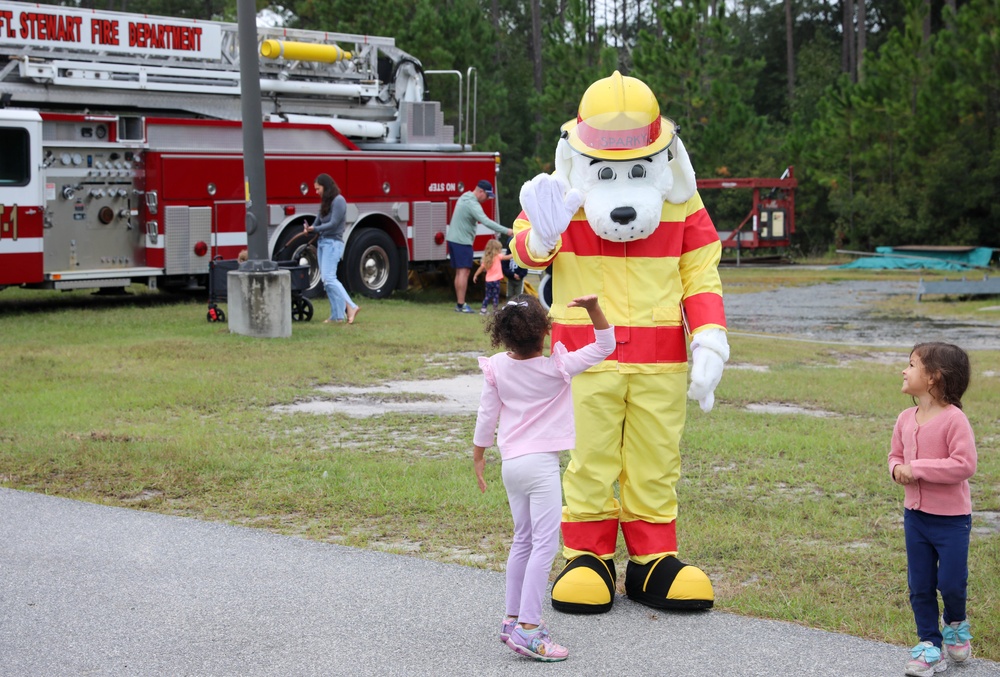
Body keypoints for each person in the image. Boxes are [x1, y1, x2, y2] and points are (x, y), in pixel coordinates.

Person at [472, 294, 615, 663]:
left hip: (512, 465)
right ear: (543, 334)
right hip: (541, 468)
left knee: (523, 539)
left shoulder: (498, 367)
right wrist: (594, 308)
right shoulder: (558, 367)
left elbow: (487, 416)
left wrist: (479, 454)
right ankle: (530, 630)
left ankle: (512, 619)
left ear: (502, 336)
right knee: (544, 546)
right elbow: (605, 345)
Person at [889, 342, 977, 677]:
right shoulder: (904, 418)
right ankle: (929, 644)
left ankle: (955, 622)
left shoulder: (955, 420)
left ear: (933, 378)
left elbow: (964, 464)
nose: (904, 370)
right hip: (916, 517)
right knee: (920, 584)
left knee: (951, 583)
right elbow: (895, 456)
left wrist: (919, 468)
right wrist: (896, 469)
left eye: (911, 364)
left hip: (952, 521)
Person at [445, 179, 512, 313]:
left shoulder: (465, 196)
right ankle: (461, 304)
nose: (487, 199)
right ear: (480, 191)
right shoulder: (472, 204)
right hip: (462, 241)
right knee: (464, 272)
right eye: (487, 196)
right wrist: (507, 231)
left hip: (453, 239)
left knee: (459, 272)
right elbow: (486, 221)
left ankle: (459, 303)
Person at [304, 174, 360, 324]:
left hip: (333, 243)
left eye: (318, 188)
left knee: (330, 278)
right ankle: (337, 316)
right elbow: (318, 219)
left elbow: (334, 224)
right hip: (323, 243)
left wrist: (315, 228)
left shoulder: (339, 201)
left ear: (326, 186)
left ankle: (352, 306)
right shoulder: (326, 202)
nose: (316, 192)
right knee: (326, 280)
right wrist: (309, 228)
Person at [471, 238, 511, 314]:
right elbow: (508, 257)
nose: (500, 250)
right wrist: (515, 253)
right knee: (495, 295)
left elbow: (481, 268)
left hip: (488, 281)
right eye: (500, 249)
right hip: (496, 281)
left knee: (488, 295)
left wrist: (475, 275)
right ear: (496, 249)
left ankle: (483, 309)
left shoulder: (487, 259)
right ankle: (495, 310)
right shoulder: (498, 256)